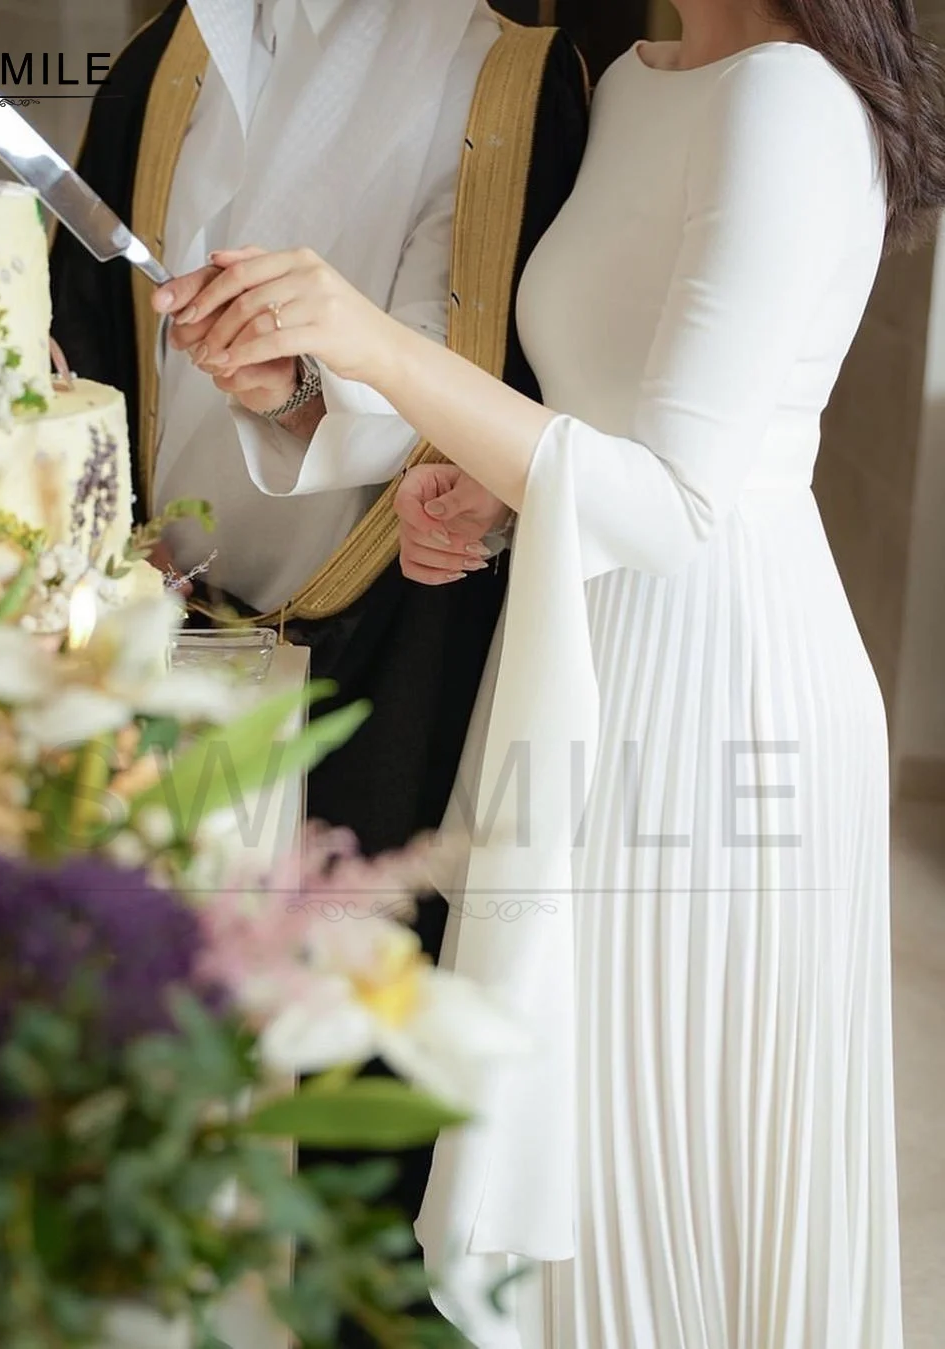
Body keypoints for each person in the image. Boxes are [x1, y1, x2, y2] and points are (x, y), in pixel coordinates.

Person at [156, 0, 945, 1344]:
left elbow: (681, 504)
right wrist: (489, 495)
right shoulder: (643, 79)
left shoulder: (792, 102)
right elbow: (614, 420)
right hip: (590, 664)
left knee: (656, 1168)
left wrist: (373, 341)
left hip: (717, 687)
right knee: (573, 1159)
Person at [50, 3, 589, 1337]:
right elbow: (92, 340)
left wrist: (292, 390)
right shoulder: (163, 62)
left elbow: (485, 386)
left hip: (395, 648)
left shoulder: (514, 82)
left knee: (364, 1073)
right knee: (136, 1052)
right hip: (157, 647)